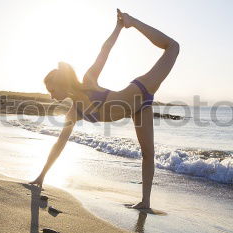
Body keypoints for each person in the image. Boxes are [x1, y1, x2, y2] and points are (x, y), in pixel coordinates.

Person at [29, 9, 179, 209]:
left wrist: (120, 26)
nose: (51, 95)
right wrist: (42, 176)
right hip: (138, 110)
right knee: (147, 154)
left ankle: (133, 21)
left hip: (141, 90)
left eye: (51, 89)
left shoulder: (88, 81)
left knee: (173, 47)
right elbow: (59, 144)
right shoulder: (74, 112)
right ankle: (145, 202)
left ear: (60, 82)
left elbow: (105, 50)